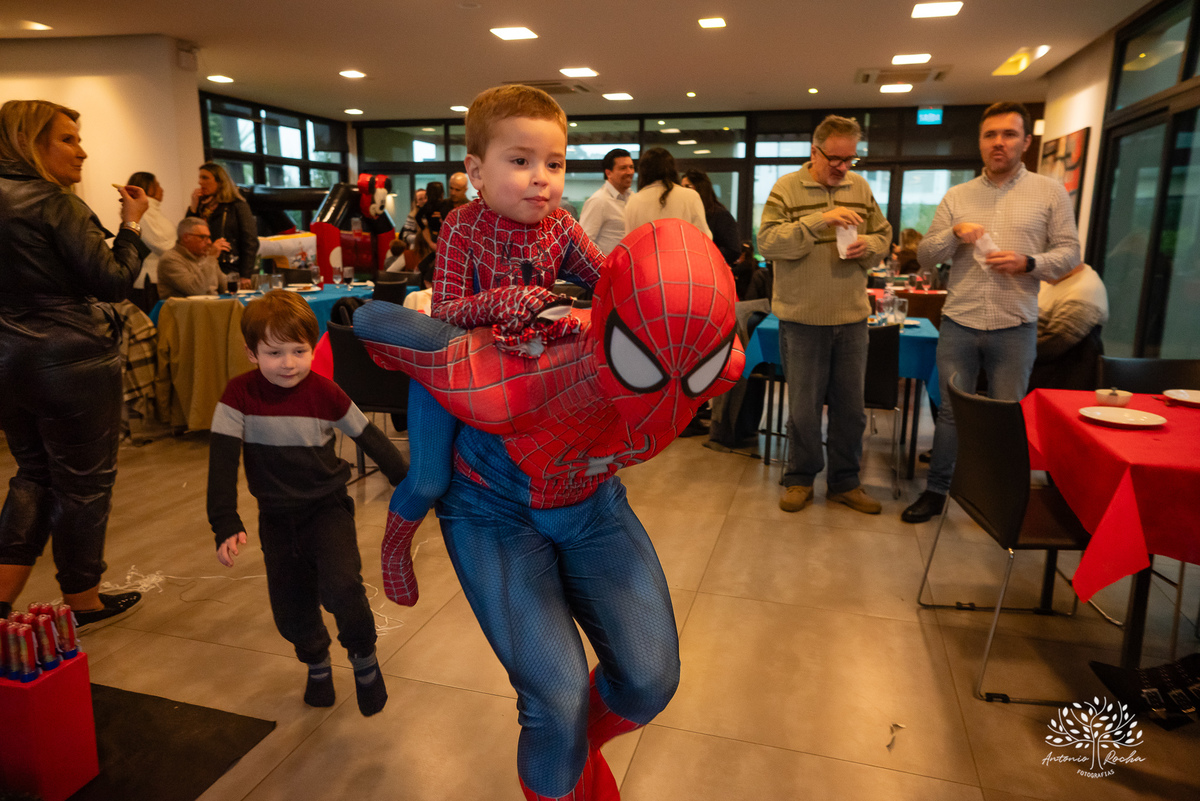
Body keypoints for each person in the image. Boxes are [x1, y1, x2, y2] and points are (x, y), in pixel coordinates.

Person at [355, 217, 741, 801]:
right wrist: (487, 311)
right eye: (643, 368)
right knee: (556, 697)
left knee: (649, 682)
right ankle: (394, 544)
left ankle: (569, 754)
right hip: (492, 485)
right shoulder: (508, 369)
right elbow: (374, 320)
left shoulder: (708, 358)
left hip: (587, 498)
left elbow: (607, 276)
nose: (664, 405)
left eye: (698, 372)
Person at [378, 84, 605, 616]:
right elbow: (447, 310)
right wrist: (510, 299)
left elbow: (609, 281)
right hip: (453, 368)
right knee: (431, 477)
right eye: (521, 161)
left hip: (526, 369)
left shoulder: (563, 227)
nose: (541, 177)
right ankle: (394, 544)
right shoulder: (462, 224)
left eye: (555, 163)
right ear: (476, 172)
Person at [206, 290, 407, 716]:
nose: (289, 363)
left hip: (327, 510)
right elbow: (221, 462)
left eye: (299, 351)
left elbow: (371, 439)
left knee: (344, 588)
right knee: (290, 608)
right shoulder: (238, 396)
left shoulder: (325, 392)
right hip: (276, 519)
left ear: (313, 349)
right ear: (251, 352)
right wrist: (225, 520)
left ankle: (364, 660)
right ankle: (316, 663)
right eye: (274, 352)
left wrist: (407, 484)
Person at [0, 99, 149, 625]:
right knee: (84, 483)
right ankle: (82, 599)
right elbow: (111, 280)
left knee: (32, 474)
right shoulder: (53, 203)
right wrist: (131, 226)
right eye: (68, 139)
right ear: (30, 141)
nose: (82, 151)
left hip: (8, 361)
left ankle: (1, 598)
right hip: (71, 362)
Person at [901, 102, 1080, 523]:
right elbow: (925, 256)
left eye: (1009, 134)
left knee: (1006, 414)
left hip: (1015, 325)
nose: (999, 143)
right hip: (960, 322)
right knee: (950, 411)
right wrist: (954, 233)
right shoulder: (957, 196)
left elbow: (1070, 253)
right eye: (990, 135)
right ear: (981, 142)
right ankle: (937, 491)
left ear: (1025, 142)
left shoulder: (1050, 192)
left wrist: (1028, 263)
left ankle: (998, 498)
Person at [758, 114, 892, 515]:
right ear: (814, 152)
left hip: (851, 319)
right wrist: (820, 220)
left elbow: (884, 236)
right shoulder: (786, 188)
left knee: (851, 410)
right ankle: (799, 479)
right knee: (803, 408)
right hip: (802, 320)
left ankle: (845, 482)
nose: (843, 168)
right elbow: (767, 242)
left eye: (850, 159)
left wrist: (867, 243)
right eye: (835, 159)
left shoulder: (860, 187)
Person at [1029, 263, 1108, 390]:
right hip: (1037, 368)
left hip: (1056, 377)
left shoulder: (1084, 290)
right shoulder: (1055, 278)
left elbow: (1053, 346)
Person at [187, 162, 258, 278]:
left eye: (205, 178)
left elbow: (250, 241)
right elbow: (188, 234)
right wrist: (193, 209)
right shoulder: (201, 206)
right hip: (201, 266)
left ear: (219, 182)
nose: (200, 182)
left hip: (230, 267)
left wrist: (245, 275)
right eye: (199, 178)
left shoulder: (237, 205)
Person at [623, 147, 711, 237]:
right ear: (672, 169)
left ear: (643, 171)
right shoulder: (690, 196)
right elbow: (704, 236)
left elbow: (630, 242)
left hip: (648, 251)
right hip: (683, 250)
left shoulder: (633, 202)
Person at [126, 171, 176, 307]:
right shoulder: (142, 213)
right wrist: (180, 248)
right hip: (148, 282)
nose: (162, 189)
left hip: (160, 278)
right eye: (157, 185)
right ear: (147, 187)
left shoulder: (153, 212)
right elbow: (159, 244)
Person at [579, 148, 635, 254]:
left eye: (631, 167)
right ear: (608, 173)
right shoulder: (599, 201)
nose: (630, 172)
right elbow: (583, 244)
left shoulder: (633, 198)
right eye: (623, 168)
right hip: (606, 268)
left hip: (629, 267)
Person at [157, 218, 226, 299]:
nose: (209, 242)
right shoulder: (170, 260)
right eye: (203, 237)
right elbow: (196, 291)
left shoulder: (204, 256)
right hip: (185, 309)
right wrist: (211, 258)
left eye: (208, 237)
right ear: (186, 237)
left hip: (211, 306)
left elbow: (224, 286)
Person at [682, 169, 739, 265]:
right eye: (681, 187)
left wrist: (705, 256)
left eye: (687, 186)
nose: (683, 191)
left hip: (710, 269)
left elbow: (733, 249)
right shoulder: (685, 213)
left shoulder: (719, 214)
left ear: (700, 188)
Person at [415, 180, 453, 252]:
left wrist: (424, 228)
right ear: (441, 193)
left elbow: (417, 217)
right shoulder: (445, 204)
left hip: (432, 234)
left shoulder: (427, 206)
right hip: (445, 235)